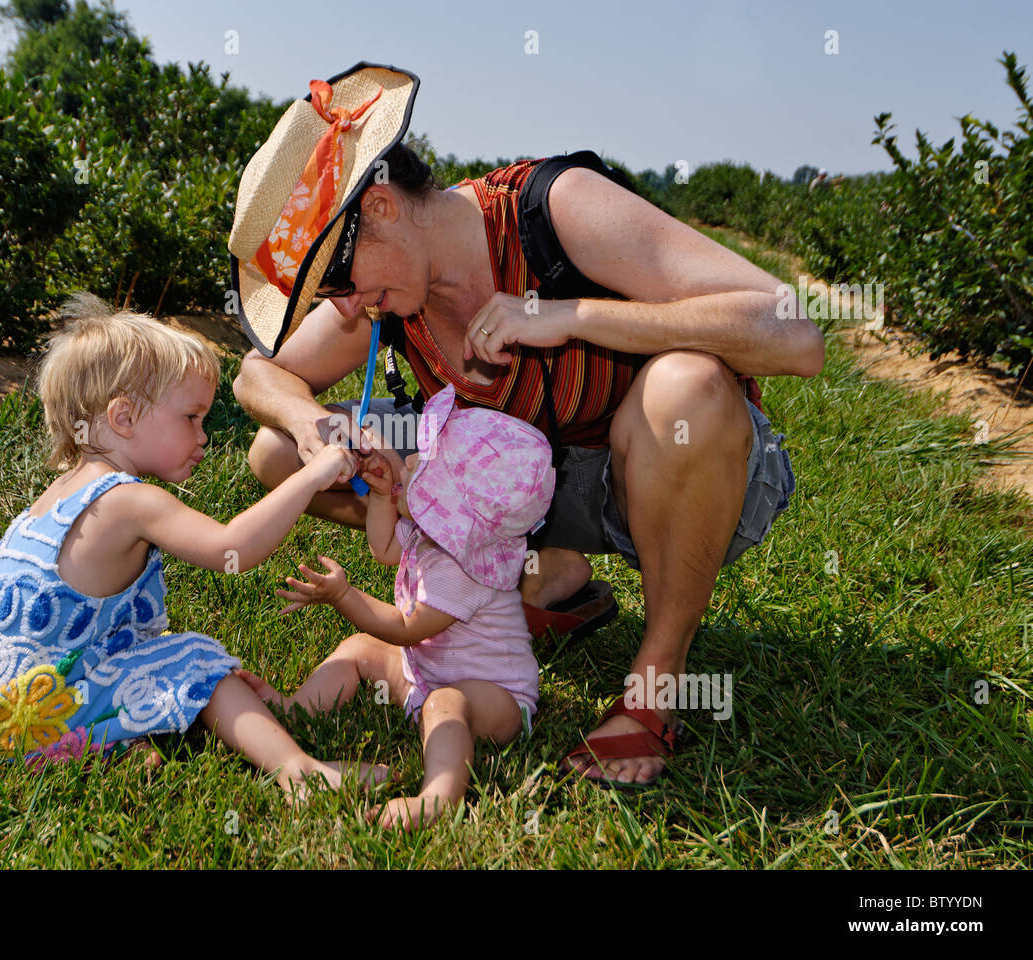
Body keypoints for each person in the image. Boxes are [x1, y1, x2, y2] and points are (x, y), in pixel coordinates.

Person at [226, 62, 823, 788]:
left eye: (339, 283)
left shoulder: (552, 210)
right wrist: (310, 419)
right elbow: (257, 375)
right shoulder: (393, 293)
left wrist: (565, 315)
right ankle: (544, 575)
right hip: (526, 497)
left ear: (379, 206)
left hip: (666, 472)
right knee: (277, 452)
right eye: (327, 294)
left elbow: (796, 333)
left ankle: (654, 690)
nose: (345, 310)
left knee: (688, 385)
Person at [0, 293, 389, 795]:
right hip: (46, 712)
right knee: (193, 659)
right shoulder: (128, 501)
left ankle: (106, 746)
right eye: (191, 418)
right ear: (123, 418)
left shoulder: (54, 501)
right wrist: (310, 476)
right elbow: (233, 550)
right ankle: (299, 774)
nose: (203, 436)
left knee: (151, 659)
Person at [237, 385, 555, 829]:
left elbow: (407, 629)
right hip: (423, 670)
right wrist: (386, 496)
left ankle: (437, 798)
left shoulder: (464, 568)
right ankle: (298, 708)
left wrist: (344, 596)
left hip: (494, 696)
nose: (407, 462)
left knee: (445, 703)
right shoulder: (436, 534)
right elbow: (384, 547)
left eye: (419, 468)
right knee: (359, 649)